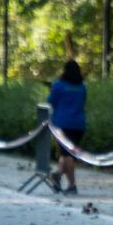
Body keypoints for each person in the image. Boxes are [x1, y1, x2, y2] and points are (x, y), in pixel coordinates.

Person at [46, 60, 87, 195]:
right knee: (67, 155)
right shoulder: (82, 87)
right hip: (79, 124)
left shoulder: (59, 86)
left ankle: (72, 185)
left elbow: (50, 101)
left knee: (67, 155)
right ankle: (57, 175)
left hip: (62, 124)